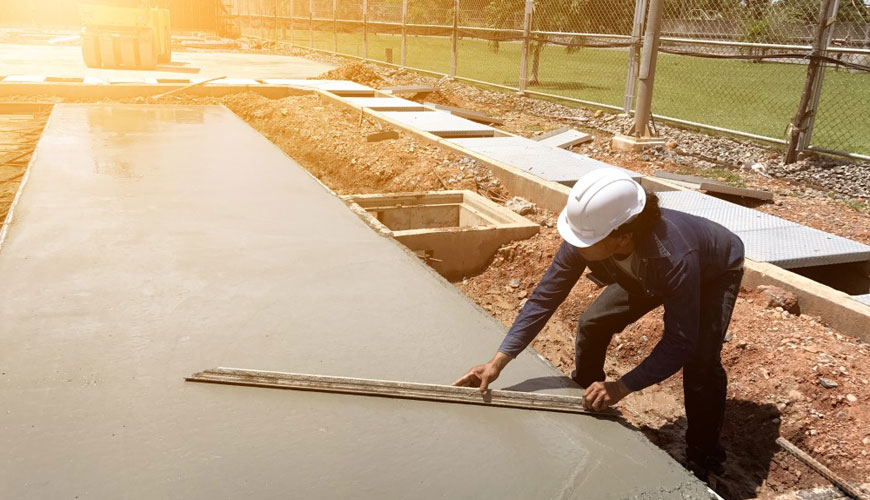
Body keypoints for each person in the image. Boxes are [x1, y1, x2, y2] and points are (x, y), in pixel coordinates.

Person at [453, 168, 744, 478]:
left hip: (713, 271)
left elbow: (679, 341)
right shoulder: (591, 236)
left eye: (584, 241)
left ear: (623, 236)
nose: (574, 245)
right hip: (644, 273)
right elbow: (545, 296)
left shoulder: (673, 257)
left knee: (700, 361)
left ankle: (704, 456)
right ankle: (584, 394)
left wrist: (621, 387)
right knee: (593, 323)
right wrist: (499, 360)